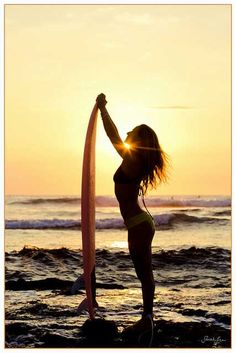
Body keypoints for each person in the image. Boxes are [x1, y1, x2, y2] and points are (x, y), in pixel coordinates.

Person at [96, 93, 168, 334]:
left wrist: (103, 109)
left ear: (137, 139)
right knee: (144, 272)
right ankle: (147, 317)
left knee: (144, 273)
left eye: (132, 132)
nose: (127, 134)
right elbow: (118, 136)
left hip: (138, 224)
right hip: (139, 223)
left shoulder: (132, 159)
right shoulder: (134, 160)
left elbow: (112, 135)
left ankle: (147, 319)